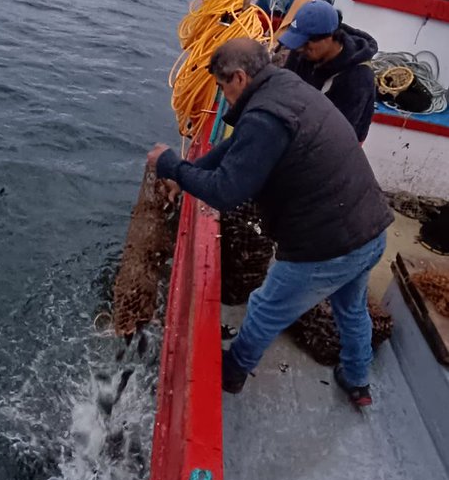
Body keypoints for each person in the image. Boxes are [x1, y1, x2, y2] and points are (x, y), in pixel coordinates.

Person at [147, 37, 392, 404]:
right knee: (351, 308)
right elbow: (236, 146)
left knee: (266, 305)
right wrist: (186, 174)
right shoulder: (285, 85)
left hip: (327, 244)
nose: (222, 93)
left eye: (221, 85)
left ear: (240, 78)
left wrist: (169, 164)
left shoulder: (264, 116)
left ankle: (233, 371)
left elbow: (226, 191)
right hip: (370, 228)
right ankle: (358, 381)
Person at [278, 0, 377, 142]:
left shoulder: (358, 78)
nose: (299, 49)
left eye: (306, 43)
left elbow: (337, 136)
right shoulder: (302, 53)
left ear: (329, 37)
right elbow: (283, 91)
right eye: (297, 42)